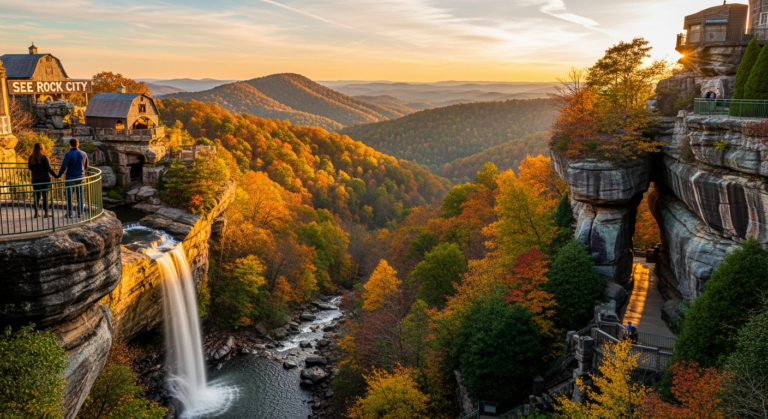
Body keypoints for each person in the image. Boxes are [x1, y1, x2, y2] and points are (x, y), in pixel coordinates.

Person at [57, 138, 89, 218]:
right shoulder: (84, 154)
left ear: (70, 144)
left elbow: (64, 166)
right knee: (80, 196)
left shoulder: (68, 154)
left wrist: (59, 175)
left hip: (70, 178)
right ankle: (80, 213)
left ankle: (70, 214)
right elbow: (86, 166)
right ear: (78, 144)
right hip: (81, 178)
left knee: (69, 196)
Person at [27, 142, 57, 218]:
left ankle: (36, 212)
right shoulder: (43, 157)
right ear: (42, 148)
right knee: (45, 196)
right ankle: (46, 212)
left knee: (36, 196)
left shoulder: (31, 157)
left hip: (35, 179)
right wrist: (55, 175)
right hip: (44, 179)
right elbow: (48, 168)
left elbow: (30, 168)